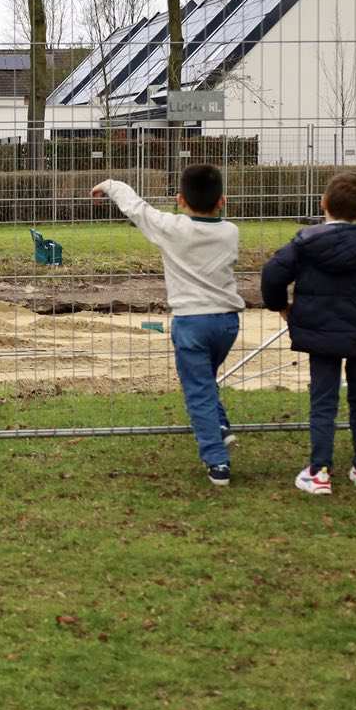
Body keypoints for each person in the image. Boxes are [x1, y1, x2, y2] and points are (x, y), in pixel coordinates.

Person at [91, 164, 244, 487]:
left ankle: (217, 461)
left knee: (198, 390)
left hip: (191, 322)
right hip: (227, 323)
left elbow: (136, 207)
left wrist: (110, 183)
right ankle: (219, 426)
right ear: (222, 201)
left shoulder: (171, 228)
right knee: (205, 380)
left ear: (179, 200)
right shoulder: (231, 232)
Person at [262, 173, 356, 496]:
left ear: (323, 204)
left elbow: (272, 273)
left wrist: (280, 306)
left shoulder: (304, 244)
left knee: (323, 401)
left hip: (321, 334)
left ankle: (320, 471)